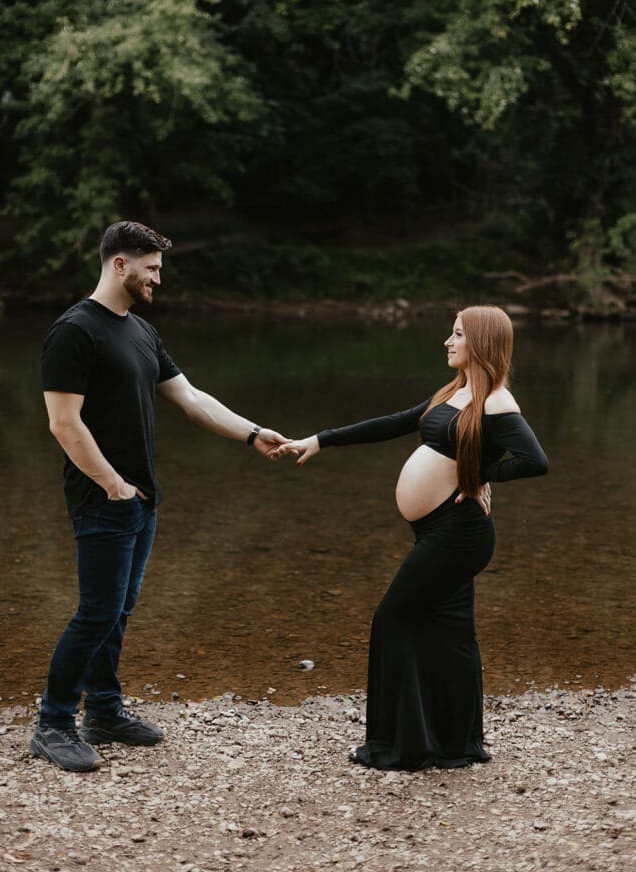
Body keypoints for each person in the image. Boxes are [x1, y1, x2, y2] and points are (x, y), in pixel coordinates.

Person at [30, 220, 289, 772]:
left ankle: (102, 711)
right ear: (119, 265)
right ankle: (53, 723)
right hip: (104, 498)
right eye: (151, 269)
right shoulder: (75, 331)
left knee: (118, 610)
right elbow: (63, 423)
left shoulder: (141, 332)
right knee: (96, 612)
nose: (158, 280)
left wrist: (251, 432)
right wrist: (112, 485)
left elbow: (191, 398)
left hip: (139, 498)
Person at [276, 305, 548, 771]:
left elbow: (534, 461)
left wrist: (479, 475)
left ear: (480, 343)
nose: (448, 341)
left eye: (458, 334)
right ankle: (456, 744)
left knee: (393, 619)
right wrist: (322, 440)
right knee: (450, 631)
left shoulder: (497, 402)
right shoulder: (455, 393)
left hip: (458, 535)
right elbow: (395, 422)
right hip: (439, 530)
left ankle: (400, 745)